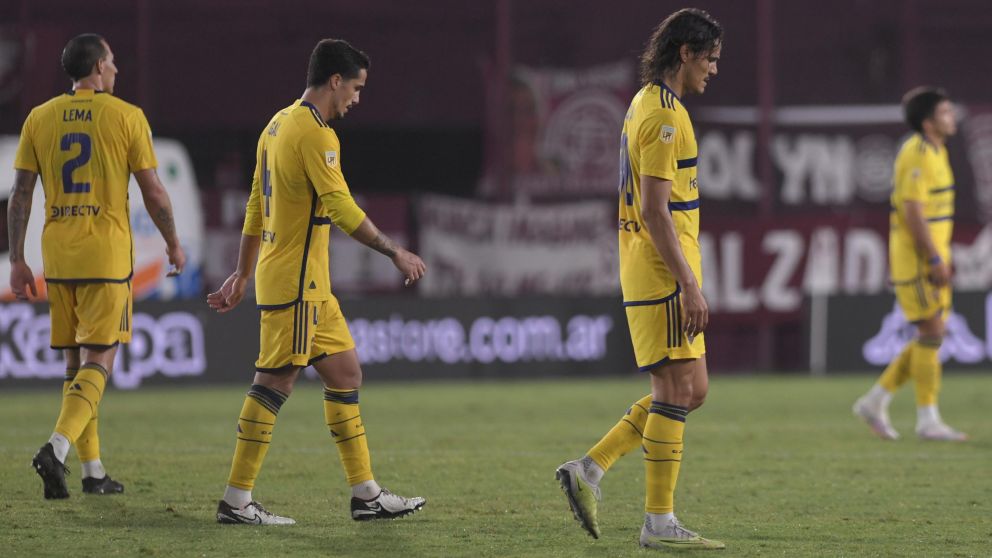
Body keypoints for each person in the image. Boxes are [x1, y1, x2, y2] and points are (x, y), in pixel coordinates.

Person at [208, 38, 427, 525]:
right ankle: (236, 500)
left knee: (346, 373)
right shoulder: (316, 133)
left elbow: (254, 208)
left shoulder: (275, 124)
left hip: (308, 288)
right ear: (334, 81)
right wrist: (395, 251)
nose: (357, 98)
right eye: (355, 87)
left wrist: (243, 273)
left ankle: (365, 494)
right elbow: (342, 209)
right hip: (297, 284)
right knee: (274, 381)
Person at [555, 9, 724, 550]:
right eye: (711, 59)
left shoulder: (649, 103)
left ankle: (590, 469)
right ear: (686, 53)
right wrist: (688, 283)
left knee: (692, 390)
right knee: (675, 389)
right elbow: (655, 211)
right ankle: (658, 521)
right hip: (660, 271)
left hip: (661, 267)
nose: (713, 70)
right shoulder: (664, 118)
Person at [10, 33, 186, 499]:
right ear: (97, 67)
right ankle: (57, 447)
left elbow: (21, 197)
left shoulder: (39, 118)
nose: (116, 69)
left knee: (75, 365)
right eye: (112, 61)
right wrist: (172, 242)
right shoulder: (126, 116)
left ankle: (92, 471)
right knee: (100, 361)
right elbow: (153, 191)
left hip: (58, 257)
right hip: (105, 256)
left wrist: (17, 260)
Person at [852, 87, 967, 442]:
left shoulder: (937, 150)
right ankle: (927, 419)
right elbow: (913, 211)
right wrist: (932, 257)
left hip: (934, 255)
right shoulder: (915, 153)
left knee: (930, 335)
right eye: (946, 112)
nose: (952, 117)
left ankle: (875, 401)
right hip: (916, 259)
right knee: (932, 334)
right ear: (929, 121)